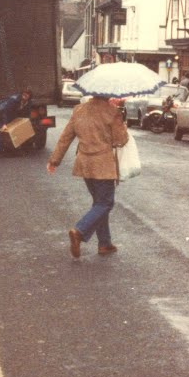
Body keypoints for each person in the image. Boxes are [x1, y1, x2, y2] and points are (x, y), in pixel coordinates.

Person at [46, 94, 129, 258]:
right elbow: (121, 140)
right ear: (108, 94)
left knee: (99, 203)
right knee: (106, 203)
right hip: (103, 165)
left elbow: (65, 137)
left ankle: (104, 243)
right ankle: (79, 231)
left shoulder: (78, 110)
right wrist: (120, 115)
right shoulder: (112, 112)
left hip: (84, 164)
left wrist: (54, 161)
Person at [0, 87, 33, 152]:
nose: (25, 95)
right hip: (4, 113)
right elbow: (6, 112)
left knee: (16, 129)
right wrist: (5, 124)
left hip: (14, 114)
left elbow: (27, 113)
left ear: (30, 96)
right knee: (2, 129)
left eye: (27, 94)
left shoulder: (29, 103)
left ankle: (13, 147)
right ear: (21, 94)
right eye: (24, 93)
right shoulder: (14, 100)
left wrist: (26, 122)